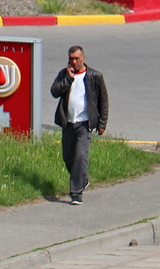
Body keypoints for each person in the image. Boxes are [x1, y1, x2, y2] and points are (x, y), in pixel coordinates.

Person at [51, 45, 109, 206]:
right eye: (71, 59)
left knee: (80, 156)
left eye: (76, 58)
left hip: (85, 124)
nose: (74, 62)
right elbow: (54, 92)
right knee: (68, 157)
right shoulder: (64, 74)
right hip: (68, 123)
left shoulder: (94, 76)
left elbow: (103, 101)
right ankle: (82, 179)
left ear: (83, 58)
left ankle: (76, 193)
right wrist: (68, 79)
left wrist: (102, 123)